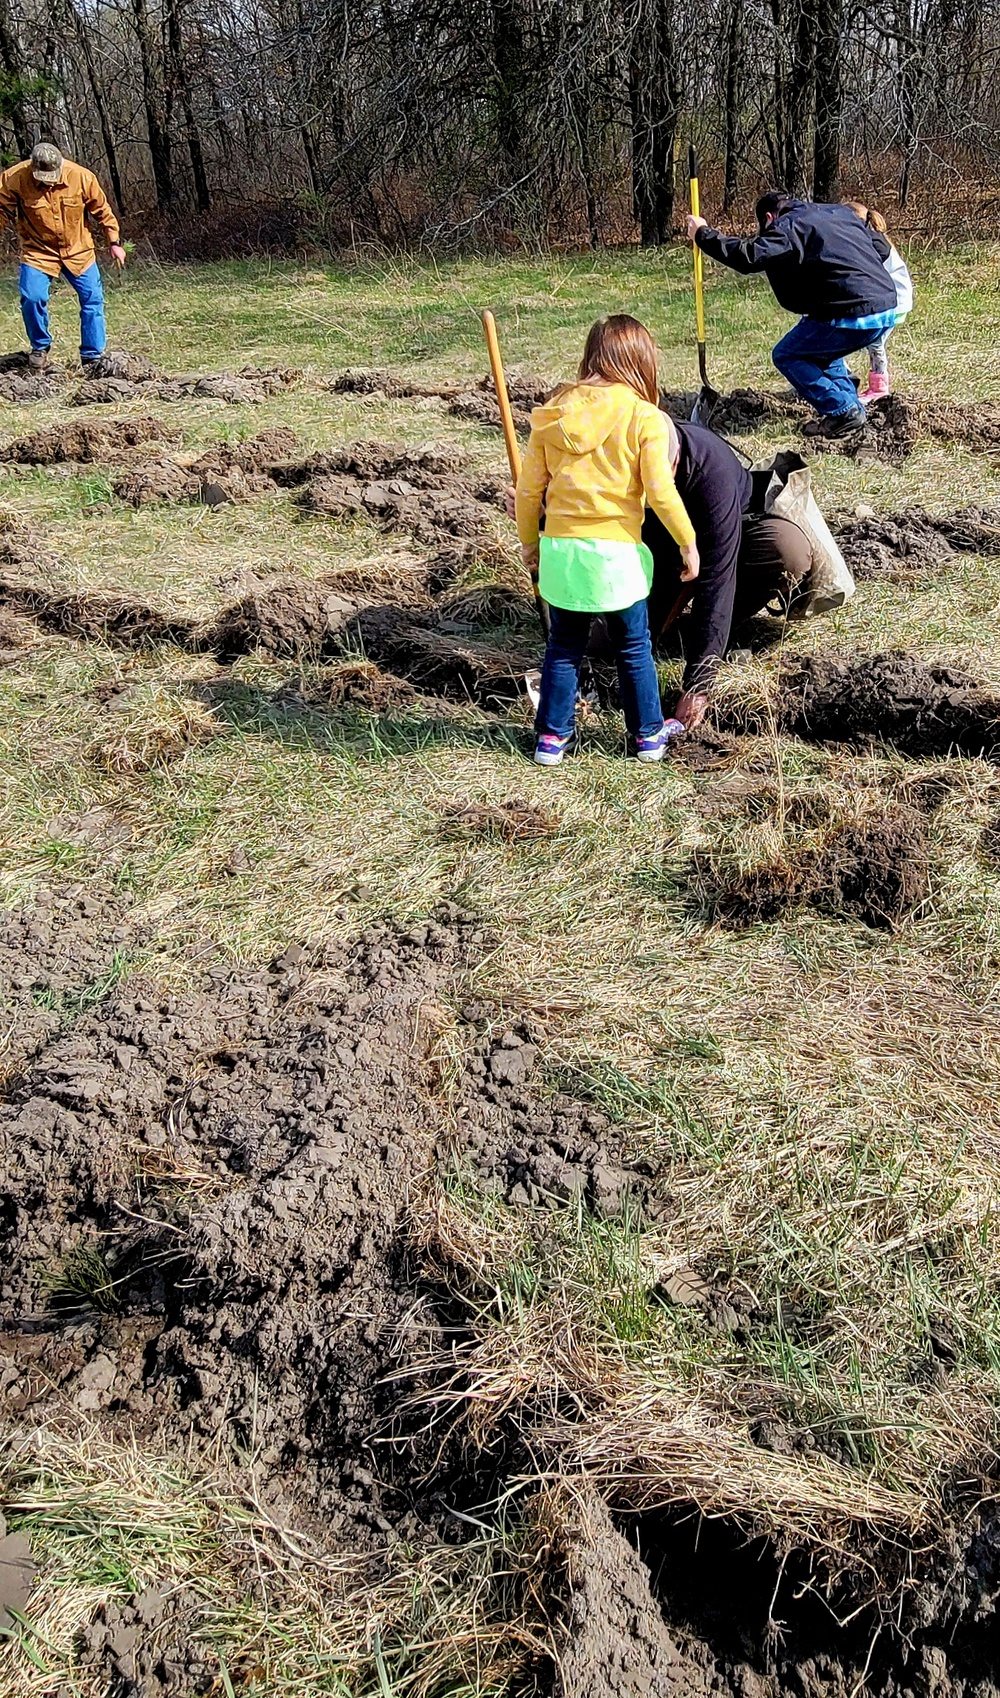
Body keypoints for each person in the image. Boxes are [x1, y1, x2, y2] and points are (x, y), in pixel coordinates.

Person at [515, 314, 699, 766]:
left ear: (590, 355)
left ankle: (551, 741)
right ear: (641, 361)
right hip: (617, 555)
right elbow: (660, 491)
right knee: (634, 646)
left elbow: (527, 490)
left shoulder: (553, 413)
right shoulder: (645, 417)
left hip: (563, 553)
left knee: (563, 647)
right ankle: (648, 737)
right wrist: (687, 541)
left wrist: (529, 543)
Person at [642, 418, 813, 732]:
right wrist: (540, 512)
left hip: (731, 544)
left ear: (674, 461)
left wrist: (698, 684)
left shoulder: (711, 470)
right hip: (660, 554)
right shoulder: (619, 452)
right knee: (604, 644)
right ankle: (665, 626)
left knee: (789, 550)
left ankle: (700, 634)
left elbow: (718, 579)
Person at [685, 192, 897, 439]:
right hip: (887, 306)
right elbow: (880, 249)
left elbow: (748, 256)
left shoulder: (788, 226)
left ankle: (843, 410)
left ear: (768, 217)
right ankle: (849, 404)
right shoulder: (839, 213)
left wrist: (703, 234)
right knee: (820, 348)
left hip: (852, 312)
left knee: (788, 355)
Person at [0, 142, 126, 372]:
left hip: (78, 250)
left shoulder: (82, 177)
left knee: (93, 299)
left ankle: (92, 357)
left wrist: (114, 242)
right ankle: (40, 347)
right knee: (32, 297)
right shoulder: (14, 178)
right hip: (38, 251)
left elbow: (103, 211)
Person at [842, 201, 913, 404]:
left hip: (895, 300)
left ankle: (879, 387)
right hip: (890, 297)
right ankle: (850, 377)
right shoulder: (871, 238)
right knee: (866, 338)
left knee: (874, 340)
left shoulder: (870, 243)